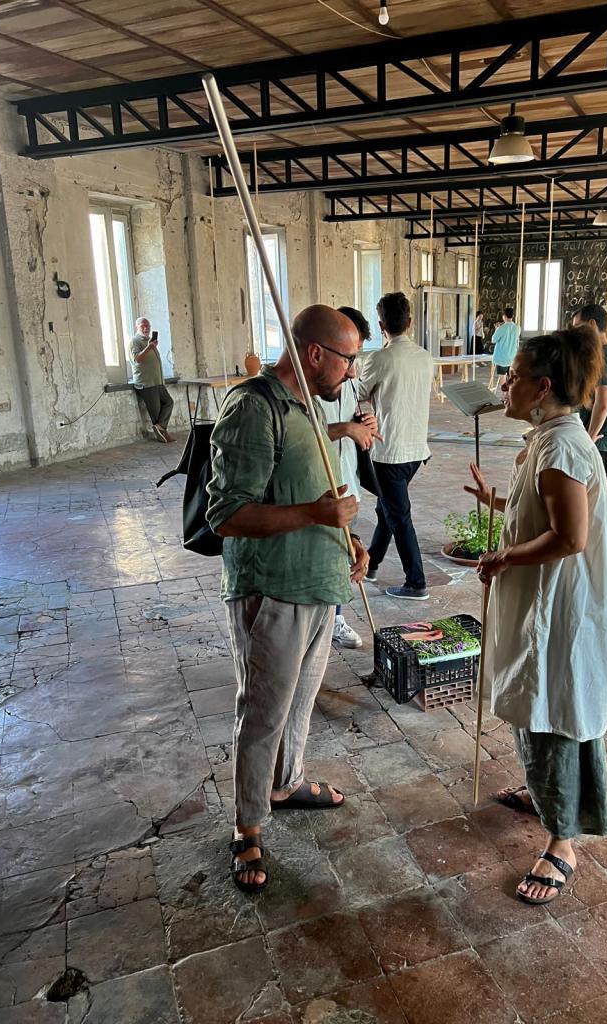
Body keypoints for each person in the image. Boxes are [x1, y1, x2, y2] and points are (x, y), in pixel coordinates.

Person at [206, 305, 370, 893]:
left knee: (298, 706)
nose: (353, 372)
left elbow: (310, 491)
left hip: (318, 584)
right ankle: (247, 826)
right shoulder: (254, 407)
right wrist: (315, 515)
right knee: (263, 713)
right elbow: (226, 515)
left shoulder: (309, 406)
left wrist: (346, 539)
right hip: (272, 591)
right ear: (315, 354)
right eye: (348, 359)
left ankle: (285, 783)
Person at [465, 326, 607, 905]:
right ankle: (544, 794)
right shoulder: (552, 439)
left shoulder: (559, 447)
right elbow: (546, 508)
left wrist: (505, 556)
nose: (505, 385)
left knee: (553, 706)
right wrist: (497, 503)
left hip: (561, 607)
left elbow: (570, 536)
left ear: (543, 387)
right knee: (536, 703)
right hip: (545, 599)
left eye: (513, 376)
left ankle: (562, 842)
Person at [358, 292, 434, 600]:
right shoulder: (425, 357)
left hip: (389, 452)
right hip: (416, 450)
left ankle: (416, 582)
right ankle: (372, 563)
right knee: (387, 509)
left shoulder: (379, 358)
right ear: (410, 322)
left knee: (398, 516)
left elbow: (358, 394)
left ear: (380, 325)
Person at [319, 305, 382, 649]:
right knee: (329, 553)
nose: (353, 369)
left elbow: (351, 421)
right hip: (321, 485)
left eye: (356, 356)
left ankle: (336, 616)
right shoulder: (313, 385)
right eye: (349, 358)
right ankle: (329, 619)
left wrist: (364, 424)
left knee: (345, 551)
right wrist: (346, 428)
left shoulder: (349, 381)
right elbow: (304, 434)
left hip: (347, 479)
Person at [571, 304, 607, 478]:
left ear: (592, 324)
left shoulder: (601, 356)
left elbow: (603, 403)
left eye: (578, 327)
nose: (576, 334)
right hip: (598, 444)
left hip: (596, 445)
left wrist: (589, 438)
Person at [129, 316, 175, 443]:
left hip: (157, 381)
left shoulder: (149, 342)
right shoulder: (135, 341)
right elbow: (137, 359)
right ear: (137, 328)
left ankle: (161, 429)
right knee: (156, 412)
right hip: (146, 383)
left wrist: (151, 346)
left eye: (148, 326)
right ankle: (163, 435)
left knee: (169, 402)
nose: (146, 328)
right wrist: (149, 348)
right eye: (143, 326)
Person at [490, 306, 520, 391]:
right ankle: (511, 393)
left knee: (502, 375)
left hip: (502, 356)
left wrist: (497, 329)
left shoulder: (501, 328)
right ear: (512, 316)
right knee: (510, 376)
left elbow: (493, 340)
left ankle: (505, 394)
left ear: (504, 316)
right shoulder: (517, 327)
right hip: (512, 356)